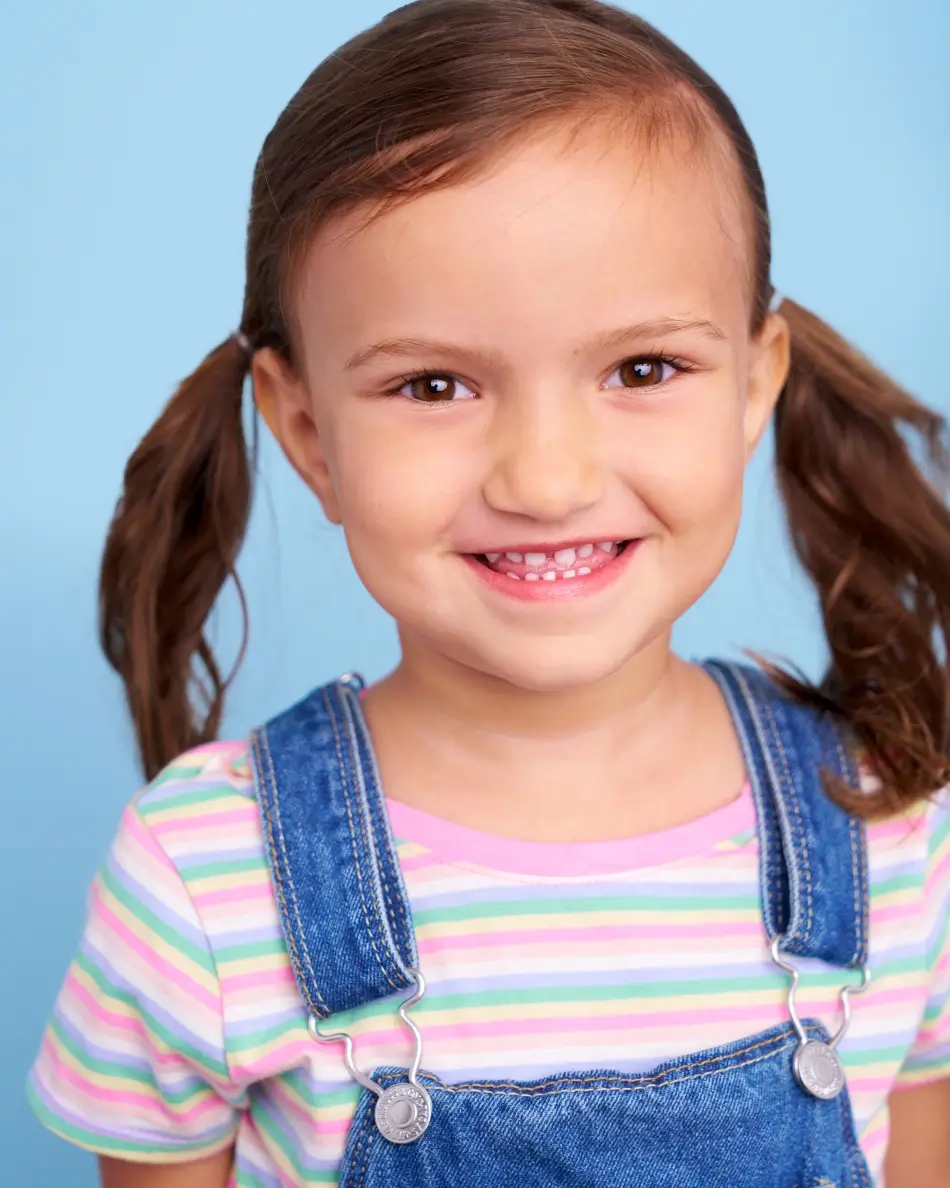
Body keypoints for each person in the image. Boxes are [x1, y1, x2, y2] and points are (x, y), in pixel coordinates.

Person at [26, 1, 950, 1185]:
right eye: (432, 386)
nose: (545, 479)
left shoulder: (885, 822)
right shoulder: (204, 883)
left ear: (750, 383)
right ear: (307, 431)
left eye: (642, 368)